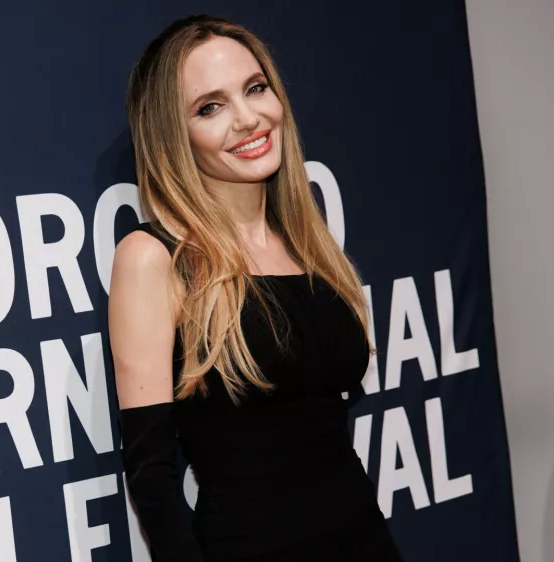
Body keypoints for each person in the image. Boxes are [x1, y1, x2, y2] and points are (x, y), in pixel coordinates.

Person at [108, 15, 404, 562]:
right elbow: (152, 478)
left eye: (255, 88)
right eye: (210, 107)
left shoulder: (305, 242)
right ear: (175, 136)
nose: (248, 118)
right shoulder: (154, 258)